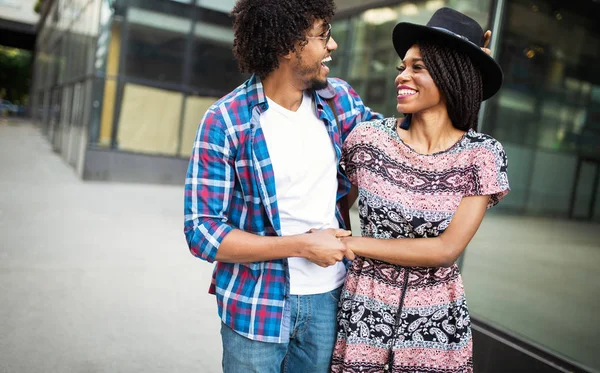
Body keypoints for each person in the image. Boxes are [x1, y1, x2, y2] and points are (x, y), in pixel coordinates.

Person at [183, 0, 381, 372]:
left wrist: (457, 69)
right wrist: (301, 246)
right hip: (255, 302)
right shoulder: (224, 121)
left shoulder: (340, 101)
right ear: (288, 46)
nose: (333, 45)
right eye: (323, 35)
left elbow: (398, 143)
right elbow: (202, 232)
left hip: (328, 299)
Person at [330, 8, 510, 373]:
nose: (402, 76)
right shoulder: (369, 139)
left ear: (450, 74)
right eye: (402, 67)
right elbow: (332, 209)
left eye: (418, 67)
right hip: (364, 312)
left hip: (436, 325)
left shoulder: (482, 155)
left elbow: (446, 250)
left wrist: (351, 245)